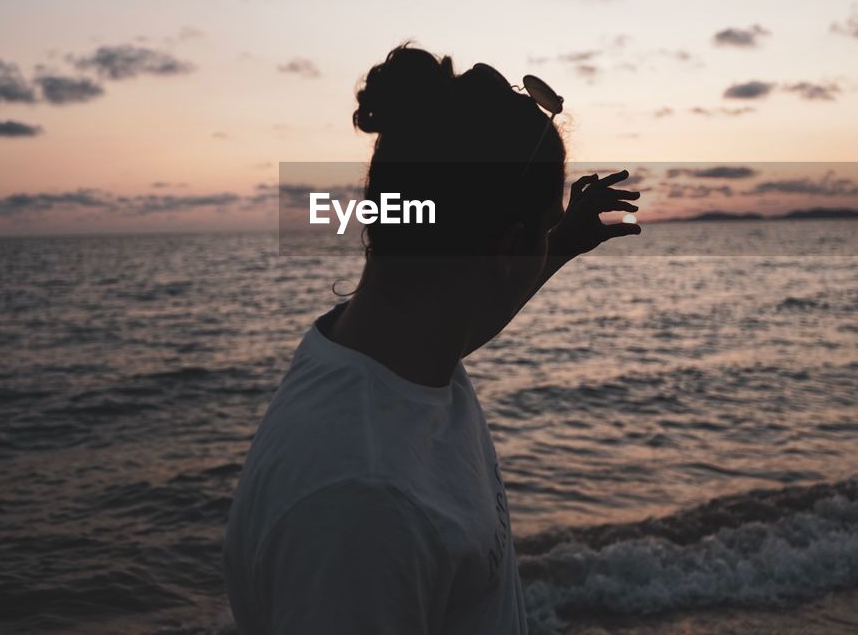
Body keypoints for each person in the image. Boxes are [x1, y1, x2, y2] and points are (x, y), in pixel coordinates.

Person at [223, 41, 640, 633]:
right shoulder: (362, 508)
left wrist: (559, 240)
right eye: (543, 230)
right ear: (507, 250)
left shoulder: (388, 350)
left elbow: (470, 311)